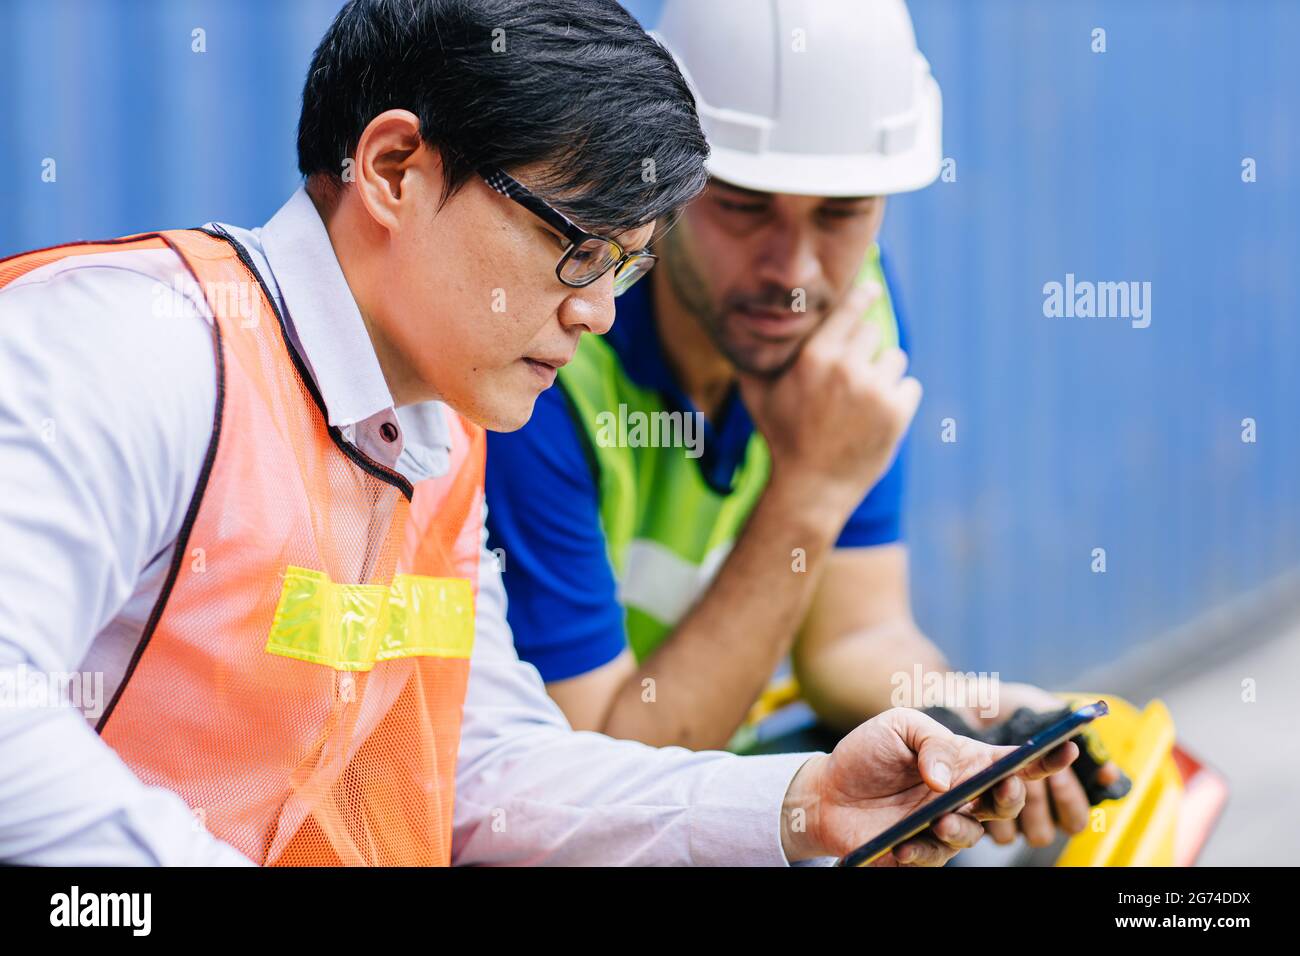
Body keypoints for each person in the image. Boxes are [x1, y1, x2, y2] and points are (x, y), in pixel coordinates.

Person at [0, 0, 1076, 867]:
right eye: (575, 247)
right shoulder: (131, 345)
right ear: (392, 169)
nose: (598, 310)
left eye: (626, 266)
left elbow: (486, 775)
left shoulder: (433, 439)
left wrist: (801, 804)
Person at [485, 0, 1118, 850]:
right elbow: (601, 778)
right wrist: (809, 491)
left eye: (841, 213)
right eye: (744, 208)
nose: (795, 273)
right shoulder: (549, 358)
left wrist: (980, 722)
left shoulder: (852, 312)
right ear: (661, 181)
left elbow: (854, 639)